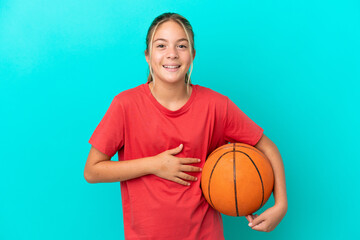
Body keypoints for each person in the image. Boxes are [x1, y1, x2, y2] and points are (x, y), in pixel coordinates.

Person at [84, 12, 287, 239]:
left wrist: (281, 204)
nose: (172, 54)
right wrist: (155, 165)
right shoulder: (126, 105)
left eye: (181, 46)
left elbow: (268, 148)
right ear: (147, 56)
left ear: (192, 55)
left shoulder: (216, 105)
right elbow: (92, 170)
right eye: (161, 45)